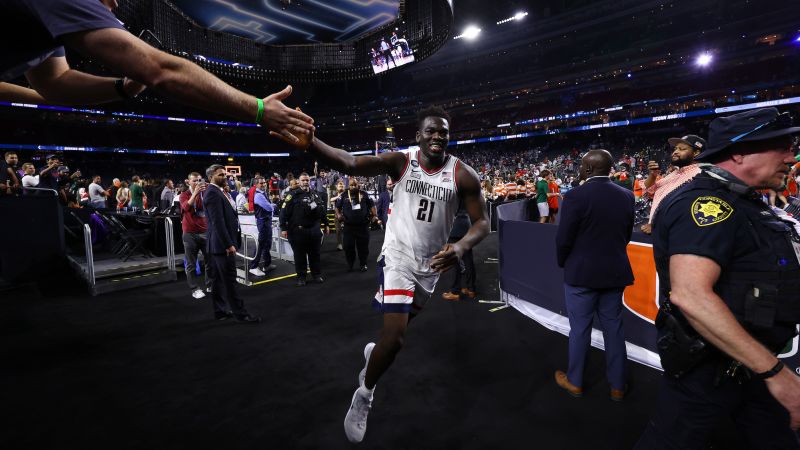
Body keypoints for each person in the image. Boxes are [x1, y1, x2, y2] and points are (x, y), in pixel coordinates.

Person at [285, 106, 489, 444]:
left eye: (444, 132)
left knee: (394, 335)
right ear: (419, 135)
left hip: (431, 264)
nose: (438, 136)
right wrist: (312, 143)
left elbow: (482, 222)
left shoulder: (463, 175)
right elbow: (349, 162)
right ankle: (364, 394)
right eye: (431, 131)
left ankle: (374, 355)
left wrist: (461, 247)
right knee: (395, 337)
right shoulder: (401, 161)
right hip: (397, 254)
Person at [635, 107, 800, 449]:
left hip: (748, 360)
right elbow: (691, 295)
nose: (791, 154)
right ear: (739, 152)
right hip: (711, 368)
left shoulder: (744, 199)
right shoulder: (706, 201)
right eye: (780, 145)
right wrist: (774, 372)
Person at [0, 0, 314, 145]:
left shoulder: (43, 23)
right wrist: (259, 109)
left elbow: (56, 82)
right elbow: (161, 70)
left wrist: (123, 88)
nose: (115, 4)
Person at [554, 149, 635, 401]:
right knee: (614, 329)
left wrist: (563, 262)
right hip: (614, 271)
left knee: (579, 330)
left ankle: (575, 381)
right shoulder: (627, 195)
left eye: (581, 166)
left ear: (588, 169)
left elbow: (563, 238)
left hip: (581, 273)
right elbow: (627, 234)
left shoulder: (576, 195)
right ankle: (618, 386)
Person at [204, 164, 261, 324]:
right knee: (230, 281)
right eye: (220, 175)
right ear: (210, 178)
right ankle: (241, 315)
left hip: (217, 245)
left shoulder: (219, 192)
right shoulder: (213, 194)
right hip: (222, 246)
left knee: (218, 281)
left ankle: (220, 311)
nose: (225, 177)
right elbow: (218, 223)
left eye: (225, 174)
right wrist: (229, 244)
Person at [640, 134, 706, 234]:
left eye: (682, 149)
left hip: (674, 235)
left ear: (696, 152)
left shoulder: (699, 175)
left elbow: (685, 210)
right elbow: (649, 190)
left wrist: (657, 225)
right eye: (675, 148)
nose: (675, 152)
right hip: (659, 234)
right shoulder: (675, 173)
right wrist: (653, 175)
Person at [280, 172, 326, 286]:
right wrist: (283, 228)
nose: (305, 182)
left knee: (315, 254)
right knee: (299, 255)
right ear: (299, 182)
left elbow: (321, 211)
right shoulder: (292, 195)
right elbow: (283, 212)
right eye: (303, 180)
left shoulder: (315, 194)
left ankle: (316, 275)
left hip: (314, 230)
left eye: (307, 180)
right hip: (298, 231)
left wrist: (326, 223)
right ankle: (301, 277)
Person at [179, 172, 212, 300]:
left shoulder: (205, 193)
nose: (197, 183)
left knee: (210, 261)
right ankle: (195, 289)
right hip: (190, 233)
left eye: (199, 180)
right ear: (188, 182)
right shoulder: (183, 195)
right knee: (191, 264)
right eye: (194, 181)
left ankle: (210, 284)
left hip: (205, 232)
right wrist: (195, 193)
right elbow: (186, 207)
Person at [335, 177, 380, 272]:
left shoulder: (364, 194)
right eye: (351, 185)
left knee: (363, 247)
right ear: (348, 186)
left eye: (355, 185)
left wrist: (375, 215)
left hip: (363, 226)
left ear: (358, 185)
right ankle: (350, 264)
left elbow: (372, 205)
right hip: (349, 227)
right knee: (348, 247)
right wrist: (338, 215)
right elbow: (337, 207)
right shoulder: (343, 195)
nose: (353, 187)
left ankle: (363, 264)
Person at [441, 203, 476, 301]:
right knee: (468, 259)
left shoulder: (451, 189)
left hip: (454, 227)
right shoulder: (467, 189)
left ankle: (455, 291)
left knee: (454, 261)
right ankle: (471, 289)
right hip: (466, 225)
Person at [249, 176, 276, 277]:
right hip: (263, 222)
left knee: (267, 244)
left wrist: (271, 206)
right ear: (256, 184)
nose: (264, 184)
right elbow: (269, 207)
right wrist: (273, 206)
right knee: (261, 244)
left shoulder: (262, 193)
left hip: (266, 221)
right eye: (261, 183)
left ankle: (267, 264)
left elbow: (268, 206)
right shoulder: (258, 195)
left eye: (264, 182)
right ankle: (253, 266)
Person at [330, 180, 346, 250]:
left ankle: (347, 243)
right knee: (338, 231)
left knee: (347, 230)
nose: (341, 187)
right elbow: (331, 199)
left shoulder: (346, 193)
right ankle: (339, 244)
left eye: (342, 186)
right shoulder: (335, 193)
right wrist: (338, 196)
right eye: (340, 186)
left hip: (346, 215)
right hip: (337, 215)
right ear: (337, 187)